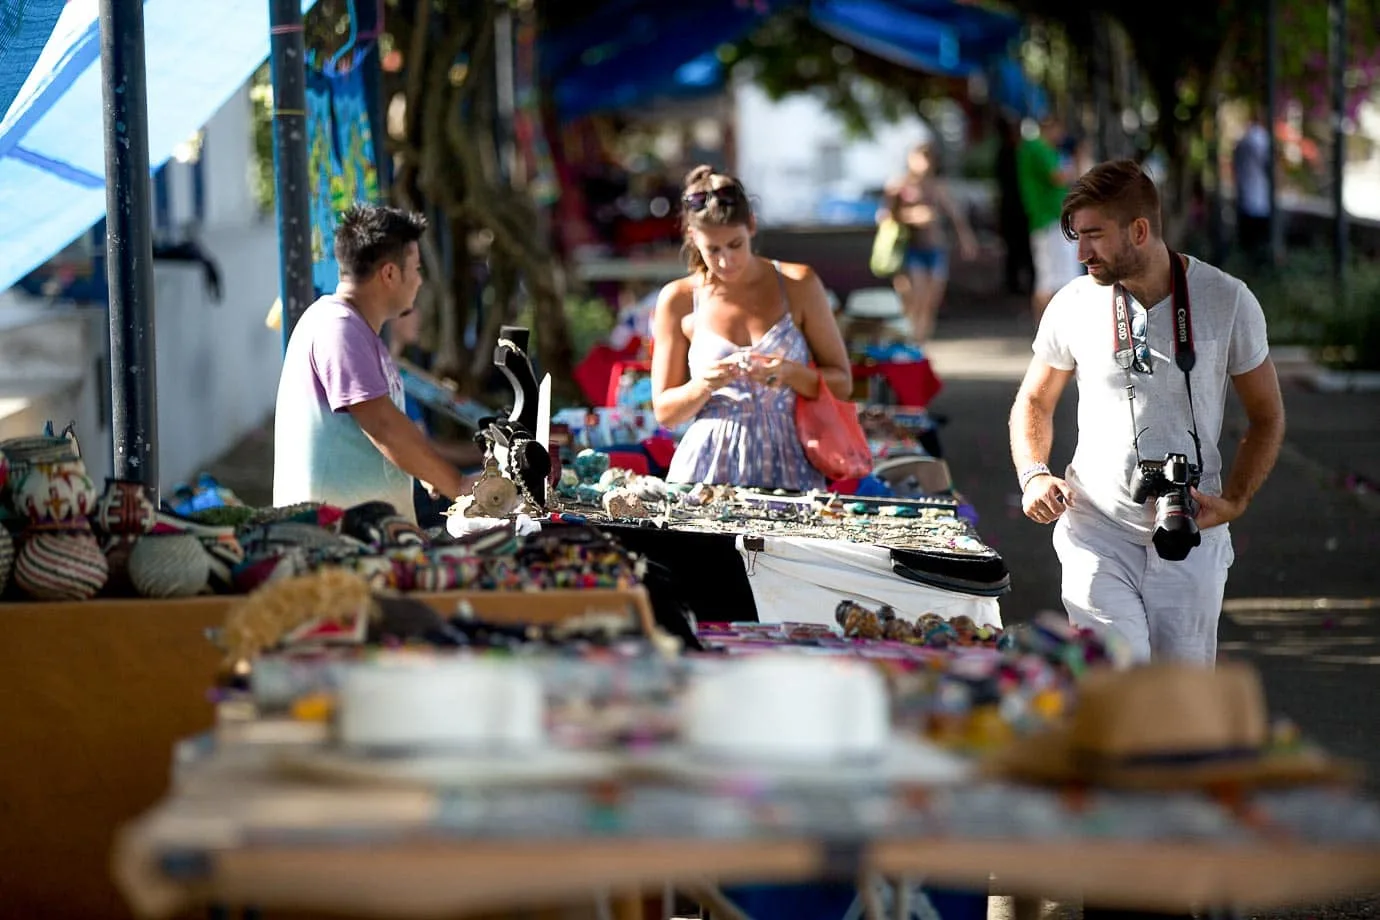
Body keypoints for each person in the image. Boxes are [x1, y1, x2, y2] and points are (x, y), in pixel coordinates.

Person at [1008, 159, 1285, 664]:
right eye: (1077, 235)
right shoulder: (1072, 302)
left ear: (1139, 230)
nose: (1080, 251)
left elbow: (1267, 416)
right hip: (1096, 529)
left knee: (1178, 703)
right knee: (1117, 679)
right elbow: (1033, 400)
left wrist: (1237, 500)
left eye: (1094, 235)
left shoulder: (1228, 300)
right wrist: (1034, 475)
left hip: (1192, 529)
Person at [651, 166, 852, 491]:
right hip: (704, 473)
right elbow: (665, 413)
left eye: (735, 244)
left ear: (752, 226)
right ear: (693, 238)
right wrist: (704, 384)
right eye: (713, 250)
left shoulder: (798, 283)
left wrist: (789, 373)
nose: (726, 260)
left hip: (789, 467)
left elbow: (843, 383)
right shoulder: (679, 299)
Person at [273, 204, 470, 522]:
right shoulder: (337, 326)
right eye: (416, 269)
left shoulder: (359, 331)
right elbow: (383, 426)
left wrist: (426, 471)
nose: (419, 282)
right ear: (390, 273)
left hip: (368, 537)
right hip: (332, 546)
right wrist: (458, 485)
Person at [878, 142, 979, 344]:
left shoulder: (937, 186)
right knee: (913, 299)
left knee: (930, 302)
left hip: (935, 248)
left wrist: (967, 239)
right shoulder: (898, 186)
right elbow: (884, 216)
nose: (923, 163)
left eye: (927, 158)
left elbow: (955, 214)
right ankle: (909, 341)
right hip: (910, 248)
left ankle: (920, 344)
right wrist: (912, 217)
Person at [1016, 116, 1083, 325]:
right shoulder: (1037, 148)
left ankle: (1049, 333)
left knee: (1055, 278)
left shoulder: (1035, 148)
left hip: (1051, 220)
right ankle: (1046, 333)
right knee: (1050, 280)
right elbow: (1060, 176)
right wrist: (1080, 159)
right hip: (1050, 222)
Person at [1232, 104, 1273, 266]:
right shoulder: (1262, 139)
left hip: (1245, 198)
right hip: (1260, 200)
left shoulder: (1243, 140)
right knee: (1259, 247)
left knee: (1247, 248)